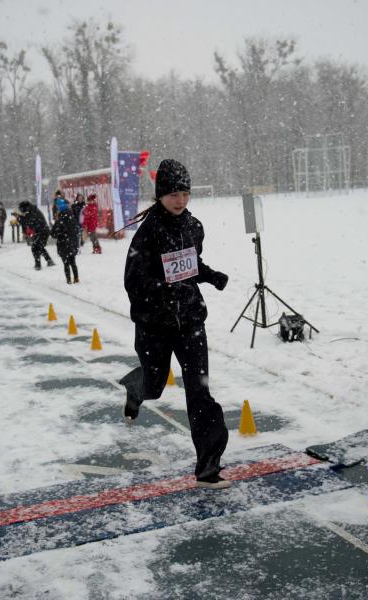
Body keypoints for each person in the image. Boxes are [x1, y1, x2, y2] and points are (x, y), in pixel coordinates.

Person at [118, 159, 231, 490]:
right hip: (154, 325)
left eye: (185, 193)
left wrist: (210, 276)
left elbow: (189, 266)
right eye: (173, 194)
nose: (180, 200)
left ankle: (208, 466)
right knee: (156, 384)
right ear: (160, 195)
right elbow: (133, 282)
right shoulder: (148, 233)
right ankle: (136, 388)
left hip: (191, 321)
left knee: (200, 391)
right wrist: (163, 292)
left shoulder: (194, 227)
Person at [17, 201, 54, 270]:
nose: (22, 212)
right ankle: (49, 261)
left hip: (43, 232)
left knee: (35, 247)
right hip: (40, 232)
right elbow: (28, 221)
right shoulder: (32, 210)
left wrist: (20, 218)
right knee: (40, 247)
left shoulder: (32, 211)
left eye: (21, 210)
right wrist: (21, 218)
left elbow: (28, 222)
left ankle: (38, 264)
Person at [50, 199, 80, 284]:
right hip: (72, 244)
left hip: (63, 245)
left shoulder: (59, 220)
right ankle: (76, 278)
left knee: (66, 263)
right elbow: (77, 230)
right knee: (73, 262)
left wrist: (55, 229)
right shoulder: (72, 218)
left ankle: (68, 279)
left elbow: (53, 234)